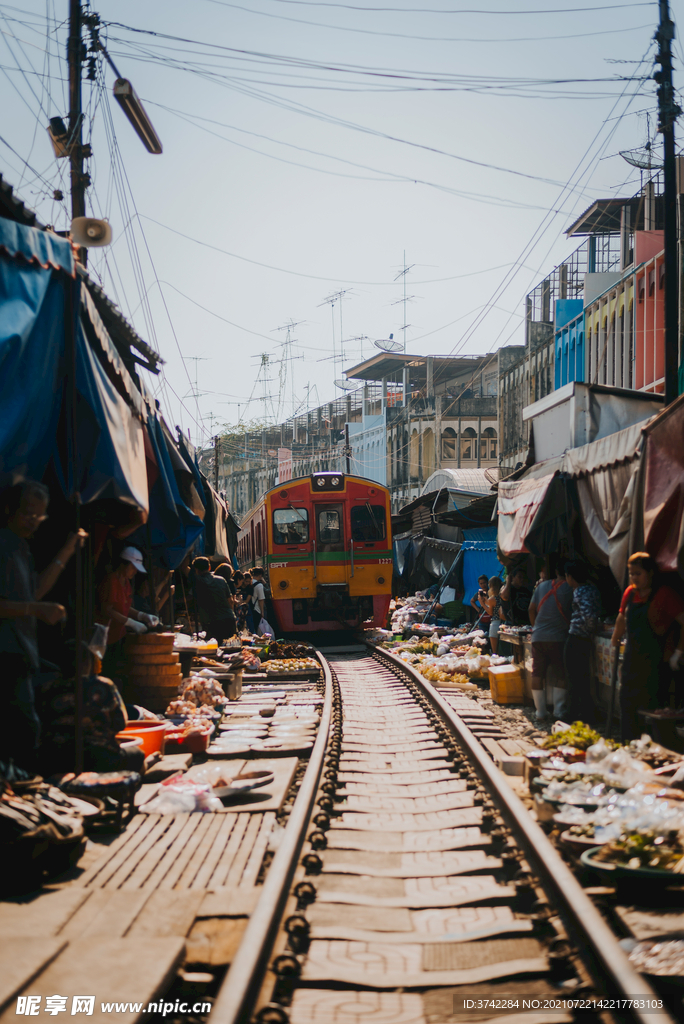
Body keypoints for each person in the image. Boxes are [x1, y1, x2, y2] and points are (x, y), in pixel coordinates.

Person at [0, 480, 87, 767]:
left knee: (27, 730)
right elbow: (29, 602)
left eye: (39, 516)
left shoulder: (21, 547)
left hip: (23, 654)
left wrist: (67, 551)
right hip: (7, 653)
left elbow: (34, 591)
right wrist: (35, 610)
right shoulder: (3, 545)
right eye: (28, 514)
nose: (33, 522)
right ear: (8, 509)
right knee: (25, 733)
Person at [611, 552, 684, 743]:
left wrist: (679, 651)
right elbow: (622, 616)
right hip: (631, 661)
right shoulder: (630, 593)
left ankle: (661, 752)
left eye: (638, 574)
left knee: (655, 713)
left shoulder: (665, 594)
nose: (633, 578)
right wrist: (615, 638)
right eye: (631, 574)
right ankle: (629, 748)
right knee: (627, 707)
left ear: (650, 573)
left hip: (657, 665)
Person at [97, 547, 159, 677]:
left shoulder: (126, 583)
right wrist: (131, 623)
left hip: (118, 635)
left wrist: (142, 616)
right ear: (123, 564)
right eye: (133, 567)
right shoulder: (111, 580)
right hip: (104, 638)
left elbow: (125, 607)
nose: (135, 571)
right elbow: (107, 610)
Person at [528, 565, 573, 721]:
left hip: (538, 637)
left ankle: (540, 712)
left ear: (555, 571)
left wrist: (536, 627)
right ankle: (558, 711)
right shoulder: (569, 587)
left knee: (537, 673)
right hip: (558, 637)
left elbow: (531, 609)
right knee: (561, 673)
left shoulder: (541, 586)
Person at [564, 559, 602, 725]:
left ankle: (574, 714)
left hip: (577, 637)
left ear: (571, 577)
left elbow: (589, 616)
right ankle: (587, 713)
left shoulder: (579, 591)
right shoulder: (593, 589)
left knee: (573, 678)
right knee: (584, 678)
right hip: (585, 640)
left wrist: (590, 628)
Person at [192, 556, 237, 641]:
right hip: (228, 619)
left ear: (196, 570)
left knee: (214, 648)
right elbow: (230, 601)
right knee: (232, 647)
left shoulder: (197, 581)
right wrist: (232, 616)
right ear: (209, 567)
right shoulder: (221, 580)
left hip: (212, 622)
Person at [485, 577, 506, 654]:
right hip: (504, 623)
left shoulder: (492, 598)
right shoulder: (503, 596)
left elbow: (490, 613)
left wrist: (482, 603)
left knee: (494, 651)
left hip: (495, 623)